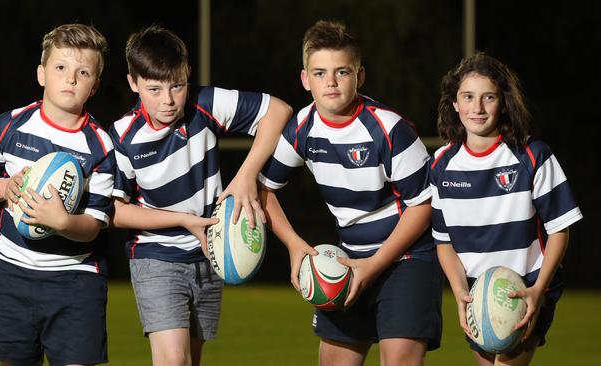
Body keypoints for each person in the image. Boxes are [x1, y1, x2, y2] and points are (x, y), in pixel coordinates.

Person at [258, 20, 442, 366]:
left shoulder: (389, 129)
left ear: (360, 76)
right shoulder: (301, 128)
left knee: (399, 360)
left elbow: (424, 205)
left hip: (407, 258)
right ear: (304, 79)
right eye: (320, 73)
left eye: (342, 72)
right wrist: (295, 246)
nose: (330, 82)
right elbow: (263, 189)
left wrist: (373, 265)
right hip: (348, 258)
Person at [108, 26, 291, 366]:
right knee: (173, 361)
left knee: (191, 360)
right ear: (134, 83)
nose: (168, 99)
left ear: (188, 74)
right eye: (154, 89)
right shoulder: (123, 136)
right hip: (156, 256)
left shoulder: (203, 104)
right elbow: (117, 212)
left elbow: (278, 111)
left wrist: (245, 176)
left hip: (210, 254)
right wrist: (182, 221)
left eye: (177, 85)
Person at [0, 24, 114, 365]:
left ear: (94, 87)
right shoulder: (9, 125)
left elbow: (94, 224)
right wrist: (2, 187)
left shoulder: (100, 146)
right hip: (12, 271)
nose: (71, 79)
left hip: (76, 278)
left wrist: (62, 222)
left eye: (83, 72)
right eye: (60, 67)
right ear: (41, 74)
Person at [430, 52, 583, 365]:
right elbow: (443, 242)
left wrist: (538, 291)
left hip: (525, 287)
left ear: (503, 102)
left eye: (489, 97)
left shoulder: (531, 155)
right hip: (477, 293)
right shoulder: (442, 164)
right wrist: (460, 292)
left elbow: (559, 230)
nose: (478, 108)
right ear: (455, 103)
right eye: (468, 97)